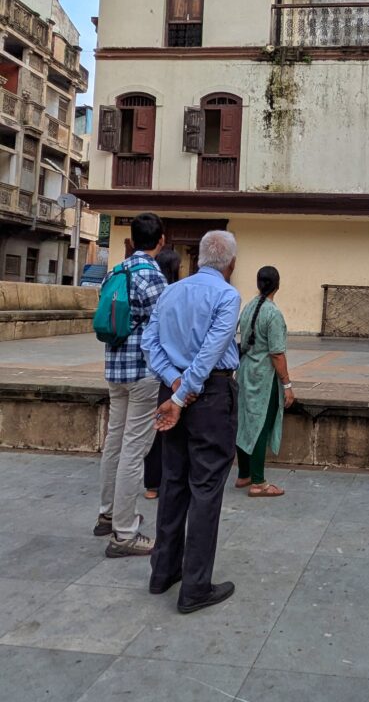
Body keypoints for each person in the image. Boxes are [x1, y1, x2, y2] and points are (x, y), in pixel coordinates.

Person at [142, 230, 241, 614]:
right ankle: (196, 585)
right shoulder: (227, 295)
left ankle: (163, 570)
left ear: (199, 258)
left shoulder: (171, 291)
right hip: (208, 395)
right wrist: (184, 392)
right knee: (205, 488)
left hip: (176, 391)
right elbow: (212, 350)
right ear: (230, 264)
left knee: (173, 482)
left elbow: (150, 342)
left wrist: (173, 383)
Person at [94, 212, 168, 557]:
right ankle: (124, 534)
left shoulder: (116, 270)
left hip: (115, 369)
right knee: (134, 450)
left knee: (115, 441)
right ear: (161, 240)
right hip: (142, 374)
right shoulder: (152, 276)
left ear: (132, 240)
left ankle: (107, 514)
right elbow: (165, 327)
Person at [235, 266, 295, 497]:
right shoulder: (273, 314)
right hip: (264, 377)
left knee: (244, 421)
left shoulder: (249, 307)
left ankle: (244, 473)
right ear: (277, 285)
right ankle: (258, 482)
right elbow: (277, 354)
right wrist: (287, 385)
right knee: (260, 425)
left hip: (245, 371)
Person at [142, 247, 182, 500]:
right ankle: (170, 480)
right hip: (170, 372)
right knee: (171, 429)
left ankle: (151, 485)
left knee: (155, 428)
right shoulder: (172, 293)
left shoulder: (153, 288)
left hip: (149, 367)